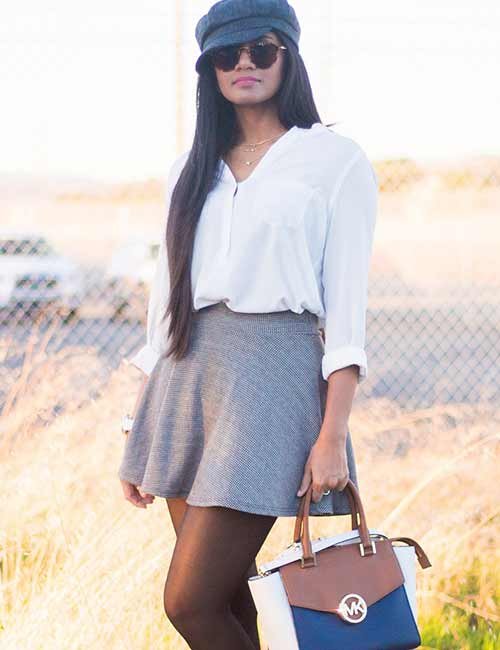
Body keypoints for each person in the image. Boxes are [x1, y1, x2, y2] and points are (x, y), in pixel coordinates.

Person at [117, 1, 378, 648]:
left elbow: (345, 311)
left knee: (190, 602)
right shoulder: (189, 167)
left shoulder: (333, 159)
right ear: (208, 68)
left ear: (287, 55)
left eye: (260, 50)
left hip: (270, 383)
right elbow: (166, 304)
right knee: (230, 596)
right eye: (226, 54)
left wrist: (331, 437)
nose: (243, 65)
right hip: (184, 379)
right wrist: (137, 424)